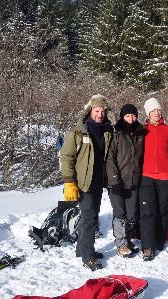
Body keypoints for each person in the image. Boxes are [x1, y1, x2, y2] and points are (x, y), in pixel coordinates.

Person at [60, 94, 115, 271]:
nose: (100, 114)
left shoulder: (107, 130)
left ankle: (82, 249)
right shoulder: (78, 131)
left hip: (98, 181)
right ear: (90, 110)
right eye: (97, 110)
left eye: (103, 111)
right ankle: (88, 256)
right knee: (90, 218)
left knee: (90, 216)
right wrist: (69, 181)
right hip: (83, 182)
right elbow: (66, 156)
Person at [140, 97, 168, 261]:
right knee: (148, 211)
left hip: (166, 176)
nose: (157, 113)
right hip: (146, 176)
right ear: (148, 113)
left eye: (158, 110)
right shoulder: (142, 130)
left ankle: (160, 239)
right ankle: (147, 246)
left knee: (163, 210)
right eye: (153, 110)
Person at [106, 104, 144, 258]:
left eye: (133, 115)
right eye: (128, 116)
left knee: (131, 214)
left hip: (134, 180)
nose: (131, 118)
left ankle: (127, 240)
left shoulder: (140, 134)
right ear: (122, 117)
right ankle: (121, 245)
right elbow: (110, 159)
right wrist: (114, 179)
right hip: (116, 181)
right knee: (120, 213)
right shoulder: (116, 134)